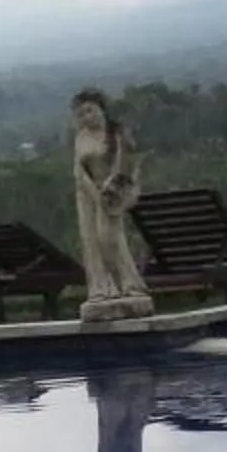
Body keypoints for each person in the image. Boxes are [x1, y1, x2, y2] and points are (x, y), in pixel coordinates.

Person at [69, 89, 151, 315]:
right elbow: (78, 170)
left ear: (101, 109)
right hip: (87, 194)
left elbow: (126, 163)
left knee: (110, 238)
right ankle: (101, 288)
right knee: (91, 240)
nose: (87, 117)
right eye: (81, 114)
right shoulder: (81, 138)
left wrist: (111, 187)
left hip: (112, 192)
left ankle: (129, 284)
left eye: (90, 111)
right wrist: (92, 190)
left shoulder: (115, 133)